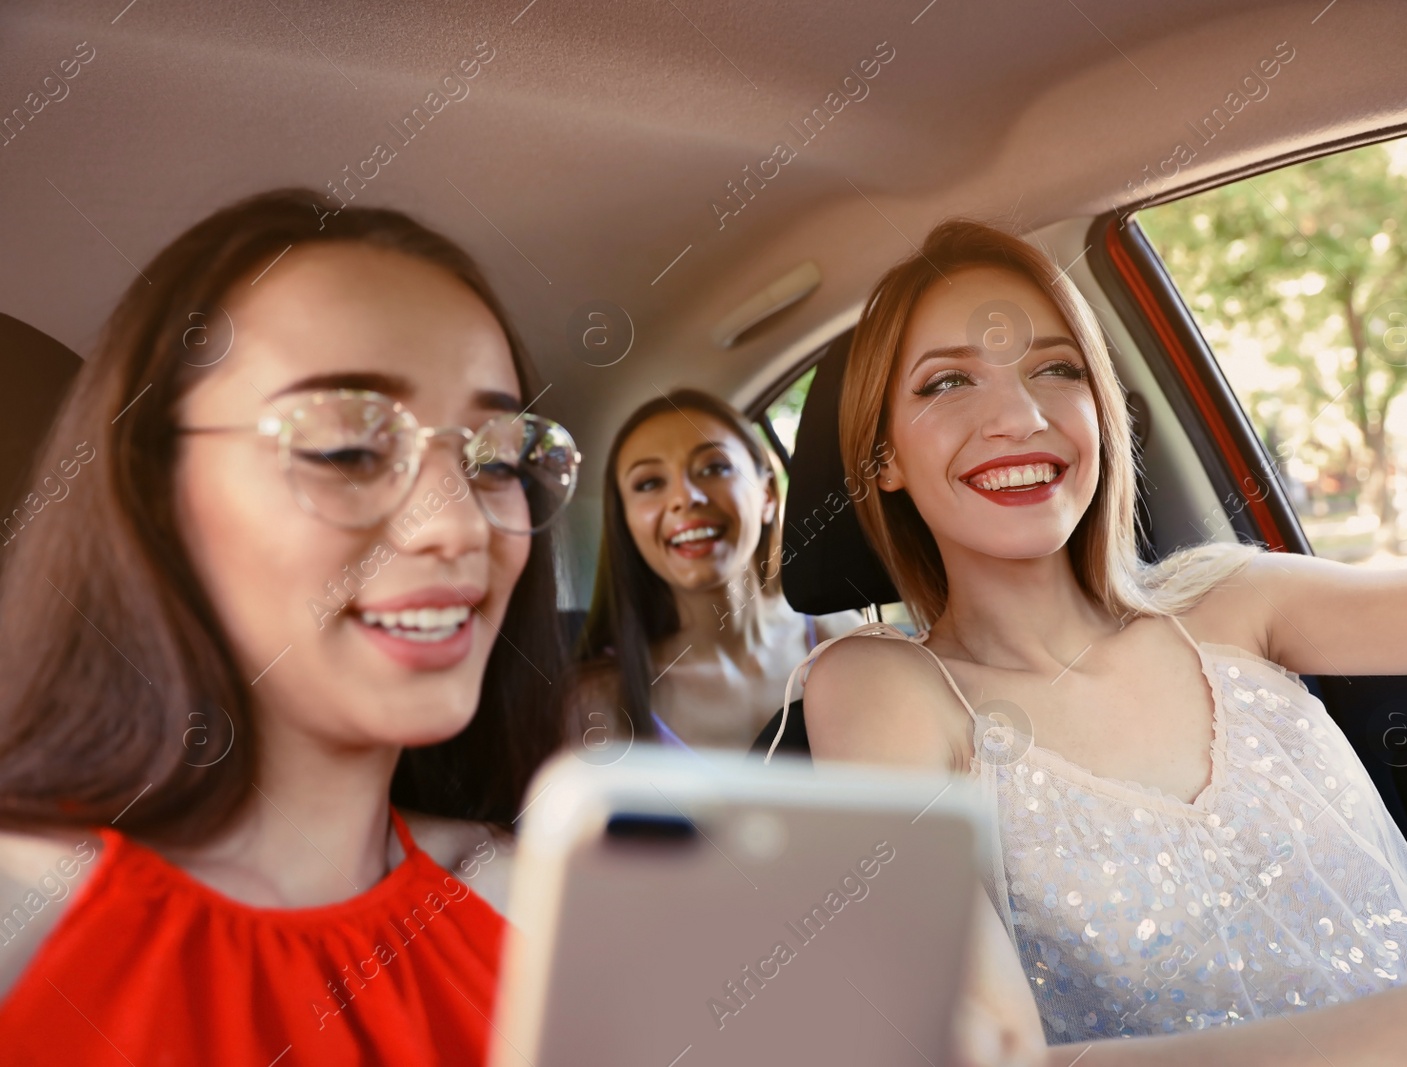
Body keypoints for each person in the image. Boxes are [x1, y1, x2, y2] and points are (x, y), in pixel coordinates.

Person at [778, 219, 1407, 1064]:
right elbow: (980, 1050)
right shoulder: (882, 687)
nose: (1018, 416)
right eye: (947, 382)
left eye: (1056, 369)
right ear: (882, 458)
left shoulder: (1232, 599)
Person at [0, 189, 578, 1065]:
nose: (457, 525)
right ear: (156, 490)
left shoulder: (548, 913)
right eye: (346, 447)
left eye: (493, 457)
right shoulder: (22, 916)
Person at [572, 389, 858, 752]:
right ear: (625, 522)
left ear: (768, 495)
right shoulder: (593, 704)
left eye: (714, 467)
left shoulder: (841, 640)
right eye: (649, 483)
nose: (685, 497)